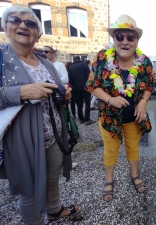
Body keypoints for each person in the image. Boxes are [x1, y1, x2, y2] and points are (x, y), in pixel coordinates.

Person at [0, 6, 79, 224]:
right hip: (22, 140)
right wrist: (21, 93)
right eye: (15, 20)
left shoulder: (45, 62)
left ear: (38, 33)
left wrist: (65, 95)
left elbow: (56, 91)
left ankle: (53, 209)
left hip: (54, 135)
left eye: (31, 23)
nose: (23, 25)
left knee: (52, 178)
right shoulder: (1, 59)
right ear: (5, 26)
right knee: (30, 190)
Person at [86, 14, 154, 201]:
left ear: (136, 40)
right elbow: (92, 85)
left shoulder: (144, 61)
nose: (125, 42)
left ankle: (135, 175)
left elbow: (149, 85)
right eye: (120, 37)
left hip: (134, 118)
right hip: (109, 118)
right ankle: (109, 180)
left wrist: (143, 101)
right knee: (111, 150)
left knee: (133, 149)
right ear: (114, 39)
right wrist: (110, 100)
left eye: (130, 37)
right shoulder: (102, 58)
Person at [69, 56, 95, 125]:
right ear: (80, 59)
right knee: (87, 103)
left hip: (76, 89)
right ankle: (87, 119)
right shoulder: (84, 65)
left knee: (79, 105)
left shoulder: (71, 67)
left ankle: (81, 119)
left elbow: (70, 79)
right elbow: (89, 76)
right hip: (85, 87)